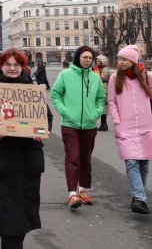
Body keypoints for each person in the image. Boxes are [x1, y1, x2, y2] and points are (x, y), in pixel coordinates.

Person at [0, 48, 53, 249]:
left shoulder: (32, 90)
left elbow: (46, 118)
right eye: (8, 64)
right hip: (1, 160)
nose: (13, 68)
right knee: (6, 212)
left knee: (24, 210)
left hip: (28, 160)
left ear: (23, 67)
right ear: (2, 65)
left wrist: (42, 130)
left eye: (17, 65)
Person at [107, 44, 152, 214]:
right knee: (131, 161)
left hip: (147, 126)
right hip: (125, 127)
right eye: (119, 58)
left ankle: (137, 194)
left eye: (123, 59)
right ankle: (140, 198)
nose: (120, 62)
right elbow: (112, 101)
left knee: (143, 163)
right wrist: (117, 120)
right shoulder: (115, 78)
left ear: (132, 60)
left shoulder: (148, 77)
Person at [51, 46, 105, 210]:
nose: (88, 60)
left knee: (85, 158)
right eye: (85, 57)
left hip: (89, 125)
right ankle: (72, 194)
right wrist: (65, 112)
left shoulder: (95, 78)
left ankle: (83, 190)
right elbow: (55, 95)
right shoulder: (65, 75)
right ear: (77, 57)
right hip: (70, 124)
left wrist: (95, 113)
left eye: (90, 58)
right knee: (73, 157)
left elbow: (101, 99)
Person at [93, 55, 111, 132]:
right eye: (96, 61)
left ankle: (104, 124)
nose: (97, 62)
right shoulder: (98, 69)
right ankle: (104, 124)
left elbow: (102, 77)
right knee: (100, 106)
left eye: (99, 61)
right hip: (99, 87)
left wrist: (94, 74)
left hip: (104, 88)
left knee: (104, 107)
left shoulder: (105, 69)